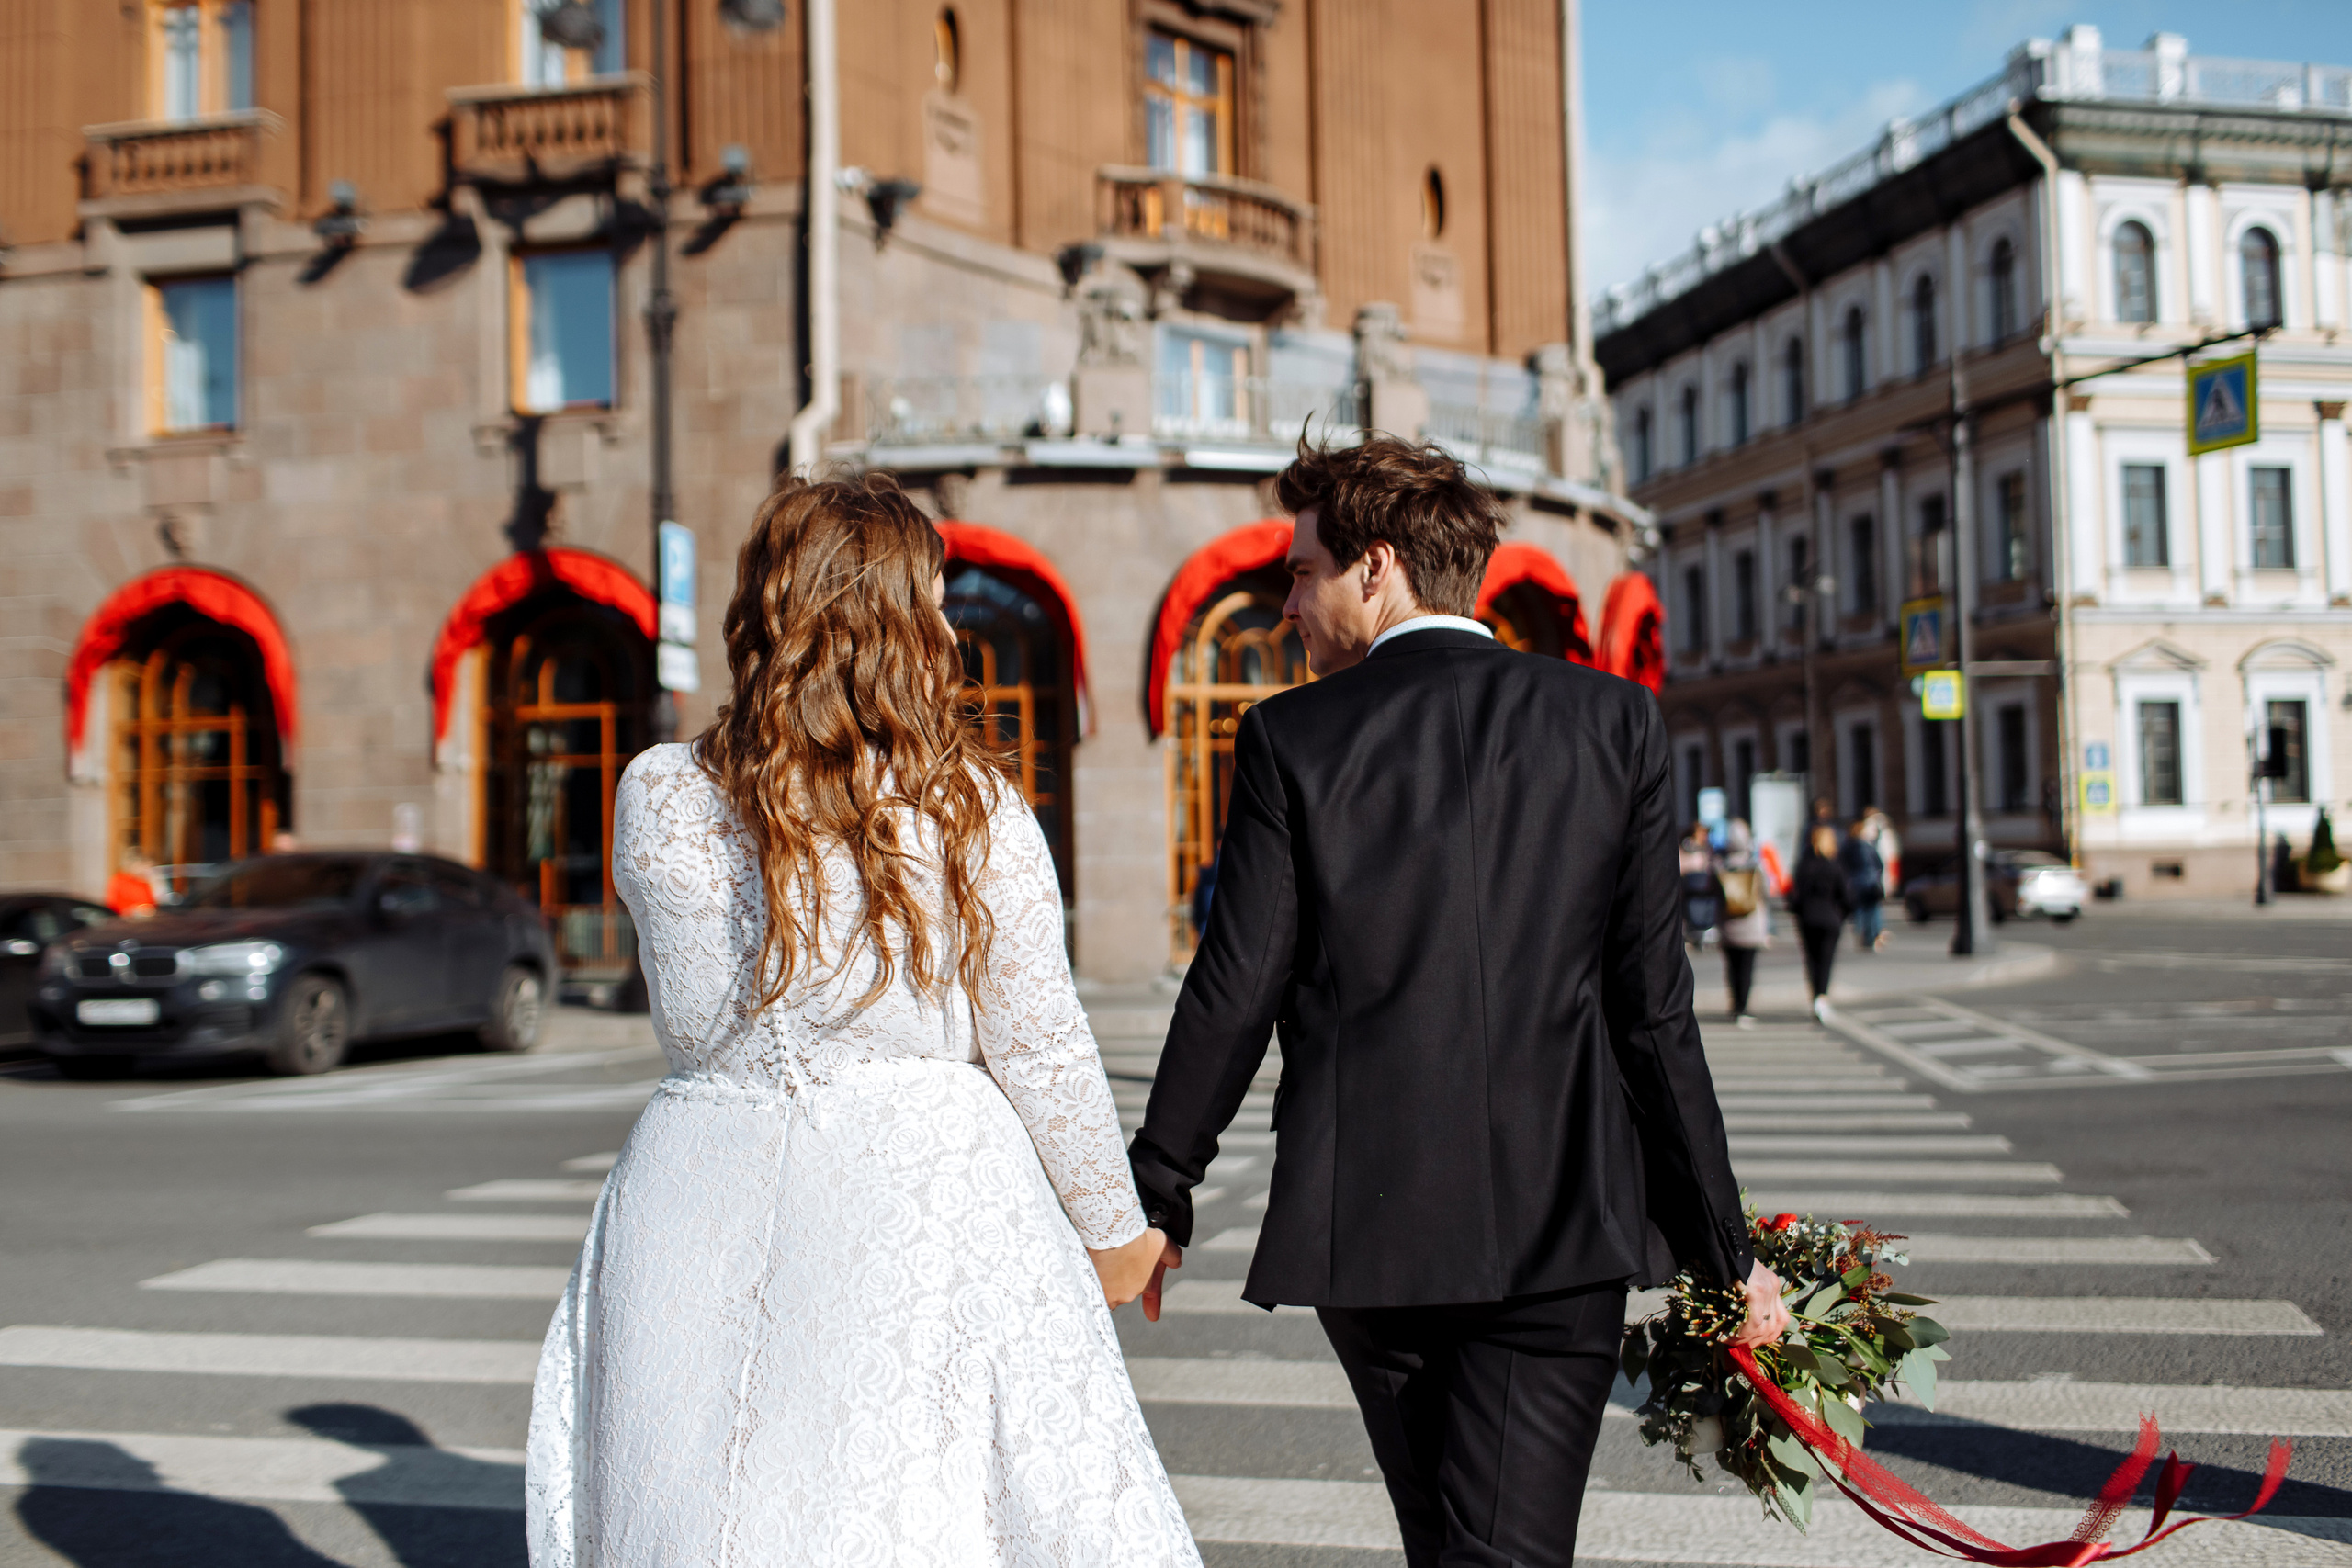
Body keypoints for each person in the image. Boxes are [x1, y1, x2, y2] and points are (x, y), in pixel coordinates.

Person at [1127, 437, 1787, 1568]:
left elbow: (1236, 984)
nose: (1286, 606)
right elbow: (1652, 1017)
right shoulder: (1612, 722)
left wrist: (1159, 1187)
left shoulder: (1293, 735)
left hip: (1368, 1232)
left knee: (1452, 1542)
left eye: (1301, 573)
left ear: (1375, 568)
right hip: (1558, 1228)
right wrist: (1722, 1254)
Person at [525, 477, 1199, 1568]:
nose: (946, 625)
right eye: (930, 600)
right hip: (915, 1185)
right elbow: (1038, 1045)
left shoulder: (656, 791)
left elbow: (695, 1022)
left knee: (701, 1500)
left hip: (695, 1178)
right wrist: (1116, 1235)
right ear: (891, 621)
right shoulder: (967, 806)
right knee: (906, 1502)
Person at [1792, 825, 1854, 1021]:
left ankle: (1815, 997)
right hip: (1829, 919)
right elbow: (1846, 897)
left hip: (1808, 918)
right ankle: (1822, 998)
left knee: (1811, 960)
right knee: (1826, 961)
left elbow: (1796, 896)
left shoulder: (1804, 865)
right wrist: (1840, 916)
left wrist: (1799, 913)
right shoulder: (1834, 866)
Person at [1715, 819, 1770, 1025]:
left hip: (1728, 924)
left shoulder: (1720, 866)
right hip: (1751, 923)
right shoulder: (1754, 866)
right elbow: (1764, 893)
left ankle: (1735, 1004)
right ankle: (1744, 1007)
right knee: (1747, 967)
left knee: (1731, 967)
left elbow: (1714, 893)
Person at [1841, 817, 1887, 952]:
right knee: (1873, 910)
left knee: (1860, 910)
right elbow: (1880, 864)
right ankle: (1872, 936)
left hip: (1855, 883)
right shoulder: (1868, 846)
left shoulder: (1847, 847)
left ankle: (1861, 934)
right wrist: (1877, 878)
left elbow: (1842, 865)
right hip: (1871, 883)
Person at [1679, 820, 1720, 947]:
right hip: (1689, 889)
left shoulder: (1707, 850)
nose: (1705, 836)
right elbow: (1680, 866)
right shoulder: (1686, 848)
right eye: (1702, 833)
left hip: (1705, 891)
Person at [105, 849, 156, 918]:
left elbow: (151, 904)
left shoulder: (144, 882)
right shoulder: (118, 880)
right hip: (123, 920)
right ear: (134, 864)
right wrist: (132, 911)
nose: (147, 869)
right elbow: (112, 905)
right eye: (144, 865)